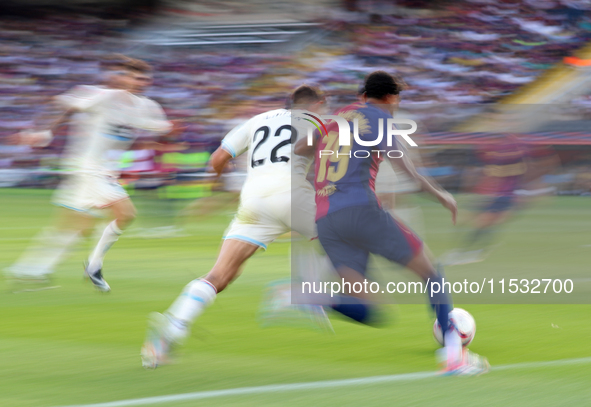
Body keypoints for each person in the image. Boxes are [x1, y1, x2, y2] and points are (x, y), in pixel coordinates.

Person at [298, 71, 489, 375]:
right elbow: (406, 170)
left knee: (371, 308)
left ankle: (308, 297)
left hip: (327, 219)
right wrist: (440, 194)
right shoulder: (380, 118)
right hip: (361, 210)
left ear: (362, 96)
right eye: (397, 98)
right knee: (432, 272)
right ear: (390, 98)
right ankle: (454, 358)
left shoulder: (334, 120)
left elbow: (300, 149)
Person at [140, 85, 327, 369]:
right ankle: (293, 294)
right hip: (291, 193)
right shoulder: (318, 122)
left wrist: (214, 188)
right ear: (318, 104)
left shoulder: (257, 120)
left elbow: (217, 159)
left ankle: (172, 327)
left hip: (252, 200)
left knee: (220, 275)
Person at [6, 58, 183, 292]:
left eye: (145, 79)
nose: (141, 82)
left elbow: (157, 131)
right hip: (88, 167)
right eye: (135, 77)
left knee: (77, 227)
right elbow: (65, 105)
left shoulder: (148, 106)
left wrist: (170, 132)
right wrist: (43, 132)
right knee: (125, 213)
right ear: (124, 78)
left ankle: (30, 271)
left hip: (102, 171)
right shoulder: (103, 96)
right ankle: (93, 265)